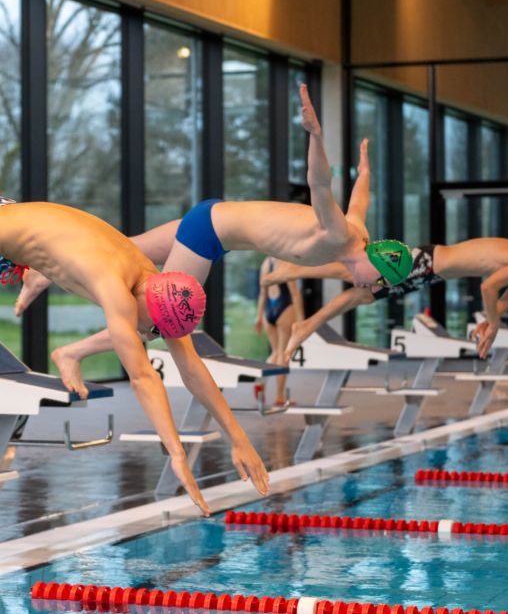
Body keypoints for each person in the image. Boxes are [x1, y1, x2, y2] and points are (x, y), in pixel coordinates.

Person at [15, 84, 394, 394]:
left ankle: (42, 273)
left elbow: (361, 196)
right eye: (375, 283)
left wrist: (364, 168)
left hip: (208, 217)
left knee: (120, 251)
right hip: (212, 235)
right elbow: (320, 184)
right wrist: (315, 135)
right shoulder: (339, 233)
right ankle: (73, 352)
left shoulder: (358, 232)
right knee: (159, 319)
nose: (365, 289)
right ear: (374, 264)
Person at [0, 200, 269, 515]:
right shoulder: (115, 286)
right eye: (155, 329)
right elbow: (142, 377)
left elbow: (193, 369)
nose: (153, 336)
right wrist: (178, 454)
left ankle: (36, 275)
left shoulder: (155, 284)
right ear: (147, 304)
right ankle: (35, 274)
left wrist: (240, 439)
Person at [260, 239, 508, 360]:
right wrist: (495, 323)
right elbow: (489, 289)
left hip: (433, 271)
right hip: (430, 263)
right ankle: (293, 271)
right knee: (357, 278)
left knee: (363, 295)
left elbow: (507, 298)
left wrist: (492, 321)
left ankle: (306, 324)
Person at [255, 257, 304, 406]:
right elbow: (294, 294)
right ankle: (280, 397)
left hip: (269, 309)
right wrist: (301, 320)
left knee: (275, 352)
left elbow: (263, 292)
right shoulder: (287, 262)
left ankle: (260, 383)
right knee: (283, 354)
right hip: (284, 307)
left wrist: (259, 317)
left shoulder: (266, 263)